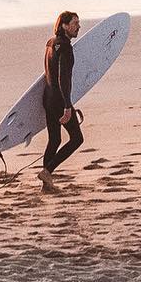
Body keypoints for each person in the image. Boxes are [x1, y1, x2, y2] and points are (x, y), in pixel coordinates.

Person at [42, 9, 85, 177]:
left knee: (54, 140)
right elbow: (63, 78)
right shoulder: (66, 47)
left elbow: (48, 73)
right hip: (60, 100)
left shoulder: (50, 43)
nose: (78, 26)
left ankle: (46, 180)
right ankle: (47, 172)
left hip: (48, 98)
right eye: (75, 23)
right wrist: (67, 106)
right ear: (64, 25)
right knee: (77, 139)